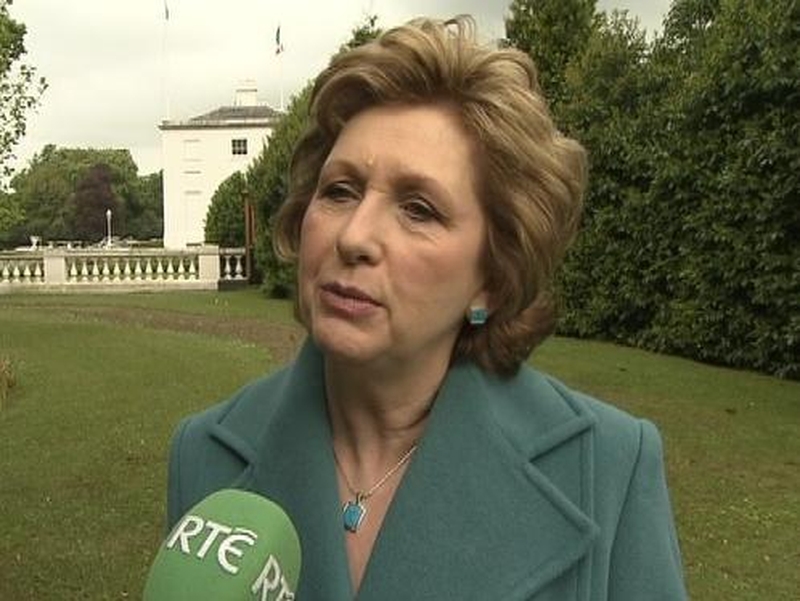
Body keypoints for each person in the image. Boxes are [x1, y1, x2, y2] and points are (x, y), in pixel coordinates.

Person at [165, 15, 687, 600]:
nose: (354, 237)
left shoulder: (609, 467)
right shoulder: (204, 453)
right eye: (339, 191)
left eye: (418, 209)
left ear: (492, 278)